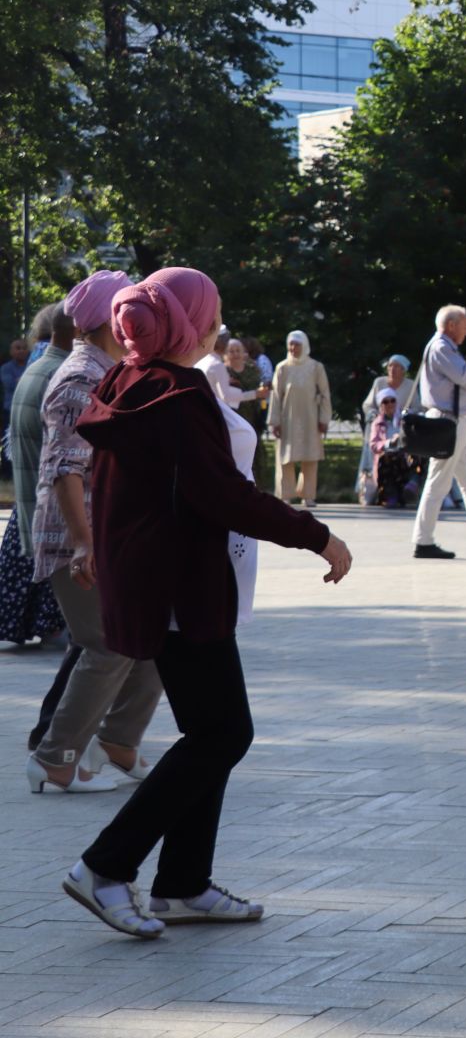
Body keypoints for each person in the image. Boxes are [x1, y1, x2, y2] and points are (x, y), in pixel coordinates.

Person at [61, 267, 352, 939]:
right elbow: (222, 494)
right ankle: (105, 868)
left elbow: (108, 484)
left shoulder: (125, 381)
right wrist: (317, 535)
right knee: (226, 733)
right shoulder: (180, 391)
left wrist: (100, 552)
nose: (217, 327)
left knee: (208, 734)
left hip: (154, 581)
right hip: (182, 585)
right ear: (190, 323)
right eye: (211, 315)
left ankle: (184, 884)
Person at [28, 269, 162, 793]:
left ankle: (117, 743)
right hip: (77, 540)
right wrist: (85, 543)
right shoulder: (82, 376)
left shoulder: (109, 368)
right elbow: (66, 467)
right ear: (113, 318)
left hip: (109, 535)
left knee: (150, 633)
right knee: (107, 644)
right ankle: (54, 758)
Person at [1, 304, 73, 650]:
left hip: (31, 490)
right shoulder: (60, 370)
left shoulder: (38, 364)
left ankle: (35, 624)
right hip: (45, 496)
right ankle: (51, 627)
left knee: (23, 564)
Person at [412, 307, 466, 560]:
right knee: (438, 483)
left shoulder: (445, 348)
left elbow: (463, 375)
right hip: (446, 424)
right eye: (465, 325)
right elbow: (464, 375)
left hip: (455, 424)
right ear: (451, 325)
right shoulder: (441, 347)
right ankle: (423, 540)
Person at [267, 331, 330, 509]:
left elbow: (325, 394)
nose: (293, 348)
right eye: (291, 344)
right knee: (285, 457)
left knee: (310, 456)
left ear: (305, 346)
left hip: (311, 418)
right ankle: (285, 494)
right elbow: (276, 396)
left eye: (297, 344)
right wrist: (275, 420)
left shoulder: (316, 367)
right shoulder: (282, 367)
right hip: (288, 419)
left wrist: (324, 418)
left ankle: (308, 495)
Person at [356, 355, 415, 506]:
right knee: (385, 457)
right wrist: (376, 416)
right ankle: (381, 490)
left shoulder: (410, 385)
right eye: (390, 366)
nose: (392, 370)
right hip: (381, 429)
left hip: (400, 426)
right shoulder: (379, 382)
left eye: (397, 367)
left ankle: (411, 487)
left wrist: (405, 416)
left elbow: (418, 407)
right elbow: (368, 405)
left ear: (404, 370)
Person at [225, 339, 269, 434]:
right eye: (231, 351)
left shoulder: (253, 369)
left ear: (243, 352)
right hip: (234, 416)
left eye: (238, 350)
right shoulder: (224, 371)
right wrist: (255, 394)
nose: (235, 354)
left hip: (254, 414)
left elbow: (260, 385)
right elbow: (230, 397)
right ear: (226, 354)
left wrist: (263, 392)